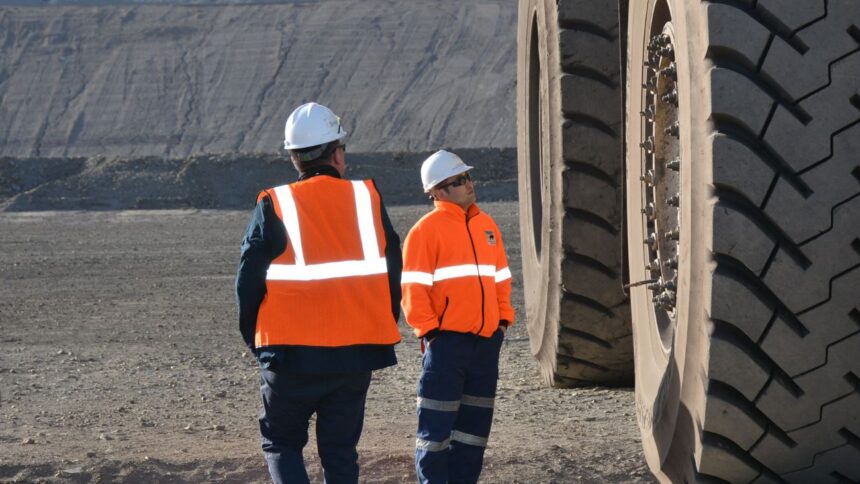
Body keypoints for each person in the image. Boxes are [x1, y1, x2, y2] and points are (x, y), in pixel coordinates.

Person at [235, 102, 402, 484]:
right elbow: (393, 268)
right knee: (340, 451)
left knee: (281, 443)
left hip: (289, 355)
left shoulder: (274, 203)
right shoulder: (367, 199)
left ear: (295, 158)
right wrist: (377, 324)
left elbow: (247, 279)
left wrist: (257, 341)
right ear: (337, 154)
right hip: (356, 353)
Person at [400, 150, 515, 484]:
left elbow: (501, 280)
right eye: (459, 180)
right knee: (435, 434)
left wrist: (502, 323)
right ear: (438, 191)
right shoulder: (425, 231)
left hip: (485, 345)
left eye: (467, 177)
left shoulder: (487, 225)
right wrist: (432, 333)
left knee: (473, 435)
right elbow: (413, 290)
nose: (469, 184)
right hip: (447, 347)